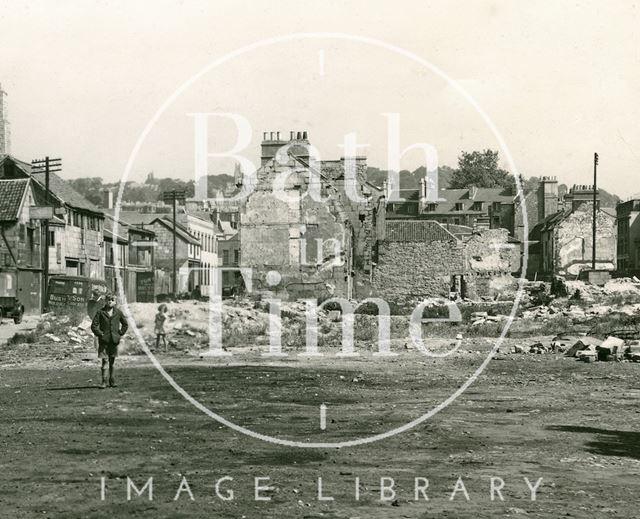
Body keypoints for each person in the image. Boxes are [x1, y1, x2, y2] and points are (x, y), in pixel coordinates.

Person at [91, 294, 129, 389]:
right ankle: (104, 381)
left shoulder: (118, 312)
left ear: (115, 302)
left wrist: (120, 333)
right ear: (105, 301)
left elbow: (125, 324)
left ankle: (112, 380)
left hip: (114, 340)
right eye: (108, 300)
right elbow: (94, 325)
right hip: (104, 340)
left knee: (112, 361)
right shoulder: (100, 312)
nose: (110, 301)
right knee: (105, 360)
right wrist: (100, 334)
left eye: (112, 300)